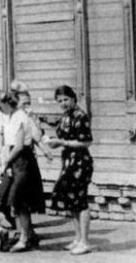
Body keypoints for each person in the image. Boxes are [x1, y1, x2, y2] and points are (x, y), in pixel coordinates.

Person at [0, 90, 45, 252]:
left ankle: (25, 238)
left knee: (20, 201)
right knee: (11, 199)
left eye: (0, 106)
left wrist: (6, 163)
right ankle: (27, 234)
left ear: (7, 104)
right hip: (14, 160)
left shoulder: (20, 118)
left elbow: (18, 146)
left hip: (22, 160)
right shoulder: (9, 117)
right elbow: (7, 143)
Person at [47, 85, 94, 256]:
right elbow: (62, 132)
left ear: (73, 98)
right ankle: (77, 238)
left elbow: (87, 142)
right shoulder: (66, 116)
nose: (63, 103)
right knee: (73, 201)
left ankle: (85, 242)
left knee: (80, 200)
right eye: (60, 101)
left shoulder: (80, 116)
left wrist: (62, 143)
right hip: (69, 162)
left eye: (66, 99)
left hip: (81, 162)